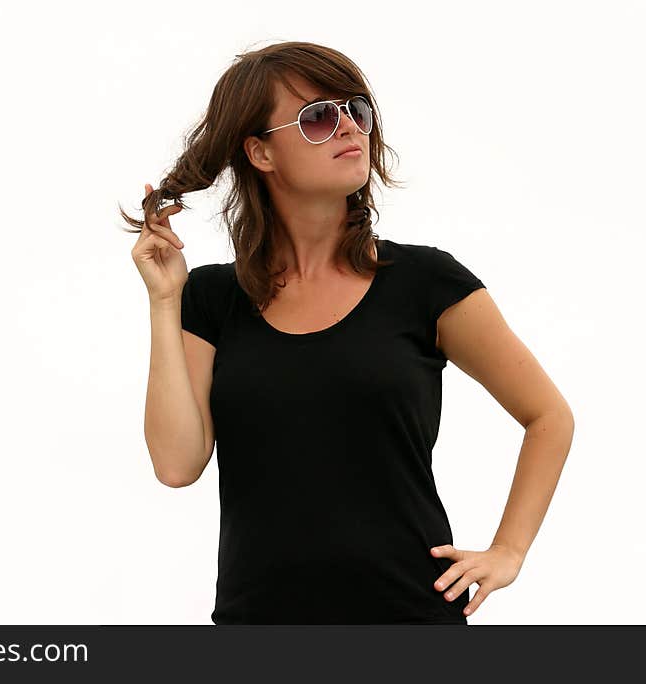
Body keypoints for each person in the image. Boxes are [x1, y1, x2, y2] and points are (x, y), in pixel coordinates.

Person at [120, 41, 574, 624]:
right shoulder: (212, 299)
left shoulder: (427, 284)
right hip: (258, 625)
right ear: (260, 152)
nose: (349, 128)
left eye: (356, 110)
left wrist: (509, 551)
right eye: (317, 117)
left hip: (410, 618)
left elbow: (549, 417)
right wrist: (164, 302)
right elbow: (177, 465)